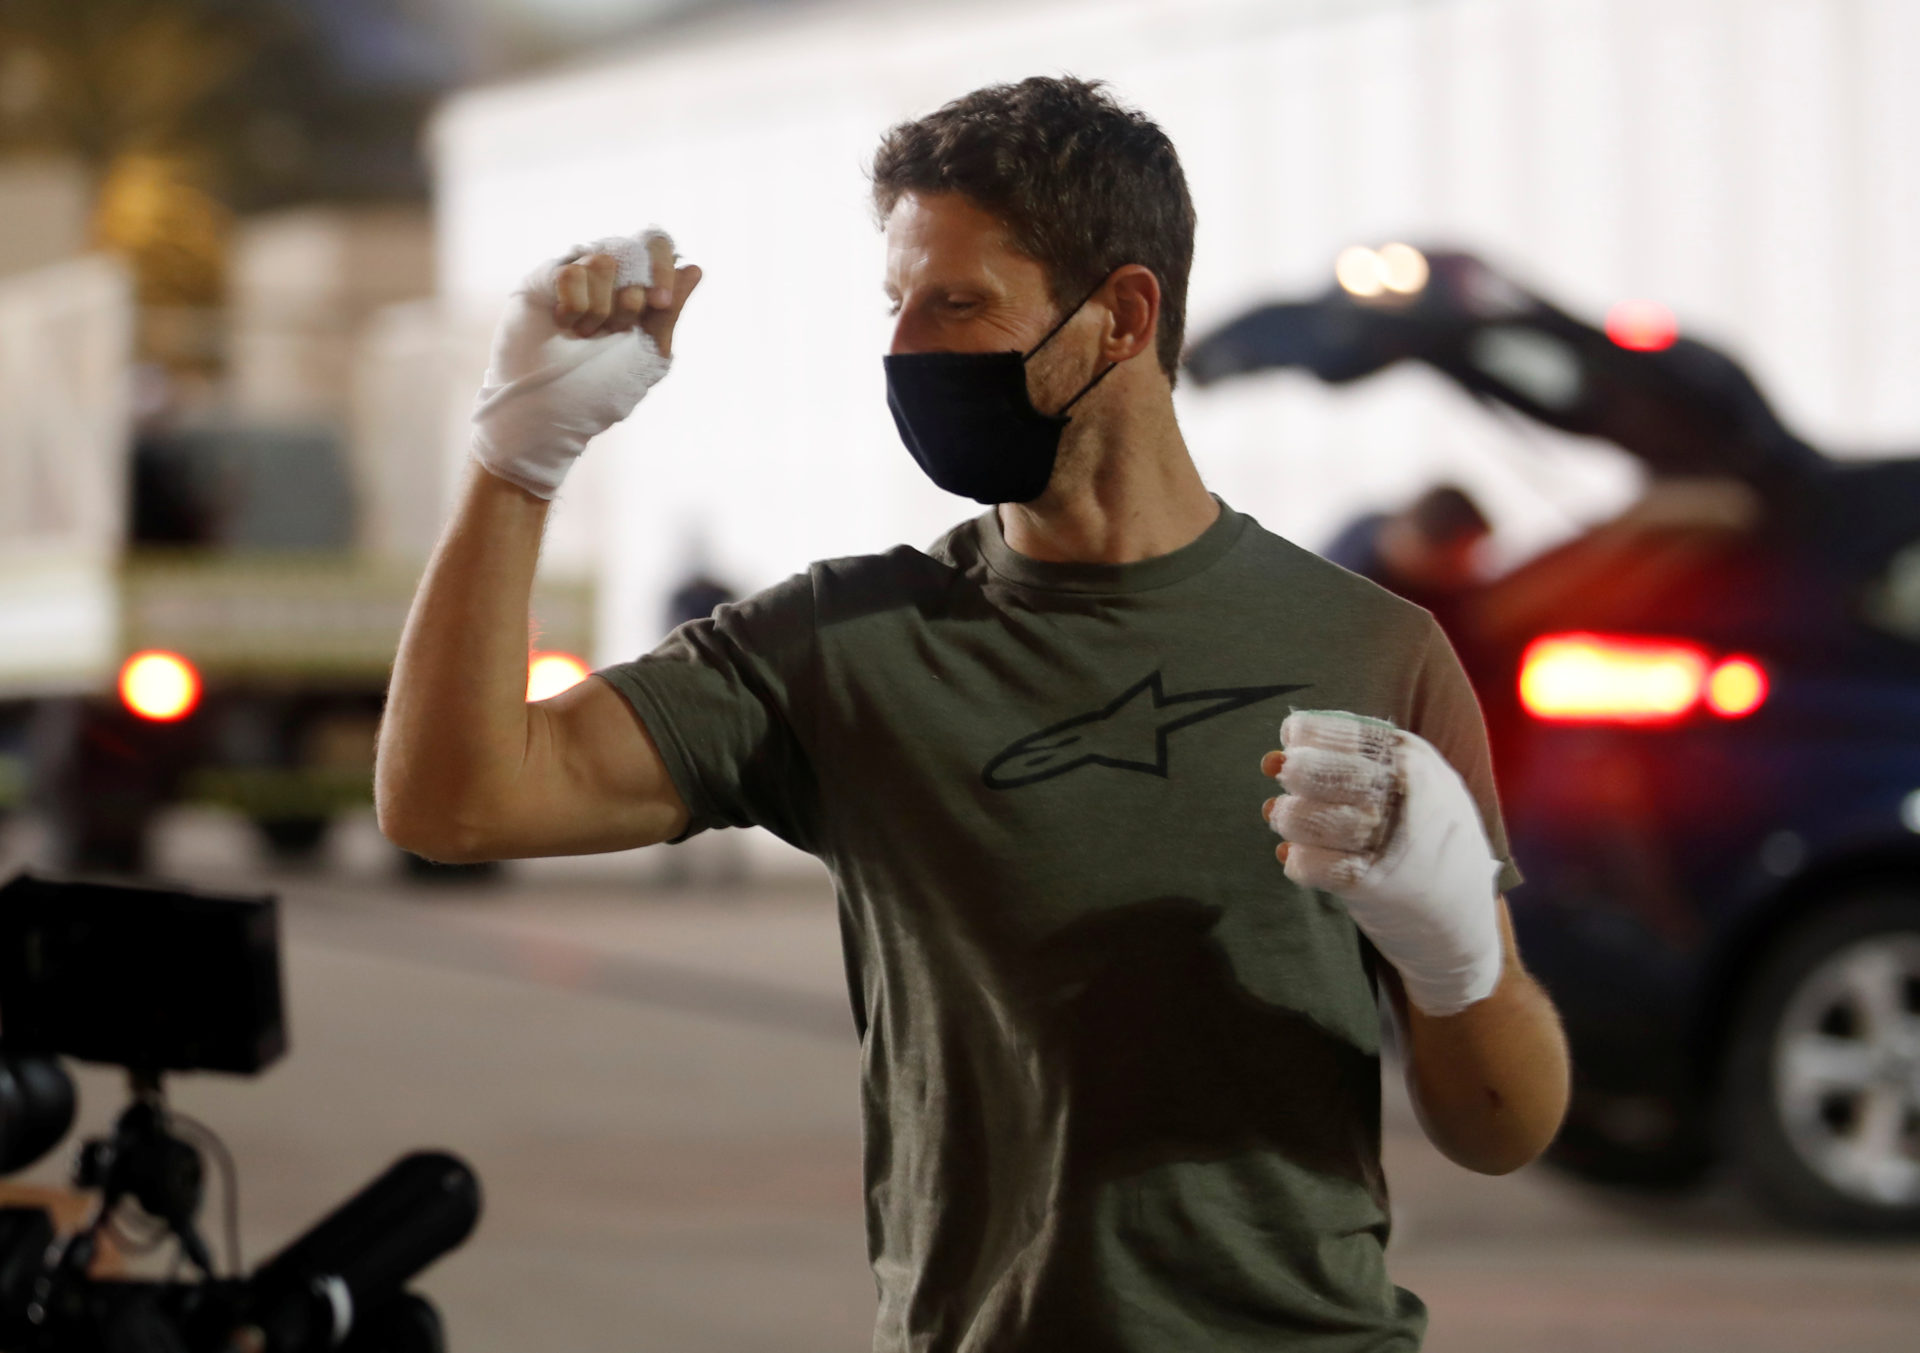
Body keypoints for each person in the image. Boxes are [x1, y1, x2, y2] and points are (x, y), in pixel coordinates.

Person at [376, 77, 1569, 1352]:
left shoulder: (1369, 648)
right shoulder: (846, 646)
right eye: (895, 305)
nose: (906, 351)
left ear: (1120, 315)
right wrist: (515, 463)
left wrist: (1457, 959)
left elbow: (1503, 1131)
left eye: (958, 304)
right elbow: (452, 801)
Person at [1322, 484, 1491, 642]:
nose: (1473, 568)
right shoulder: (1358, 606)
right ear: (1431, 553)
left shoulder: (1377, 524)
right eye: (1464, 558)